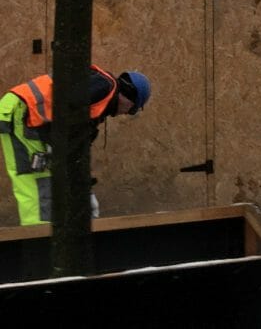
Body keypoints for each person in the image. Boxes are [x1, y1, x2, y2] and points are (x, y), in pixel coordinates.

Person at [0, 65, 151, 225]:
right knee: (37, 180)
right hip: (25, 113)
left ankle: (44, 232)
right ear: (130, 98)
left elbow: (76, 144)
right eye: (132, 110)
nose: (125, 114)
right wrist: (55, 142)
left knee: (42, 178)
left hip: (24, 113)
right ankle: (39, 237)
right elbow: (65, 104)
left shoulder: (101, 96)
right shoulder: (104, 87)